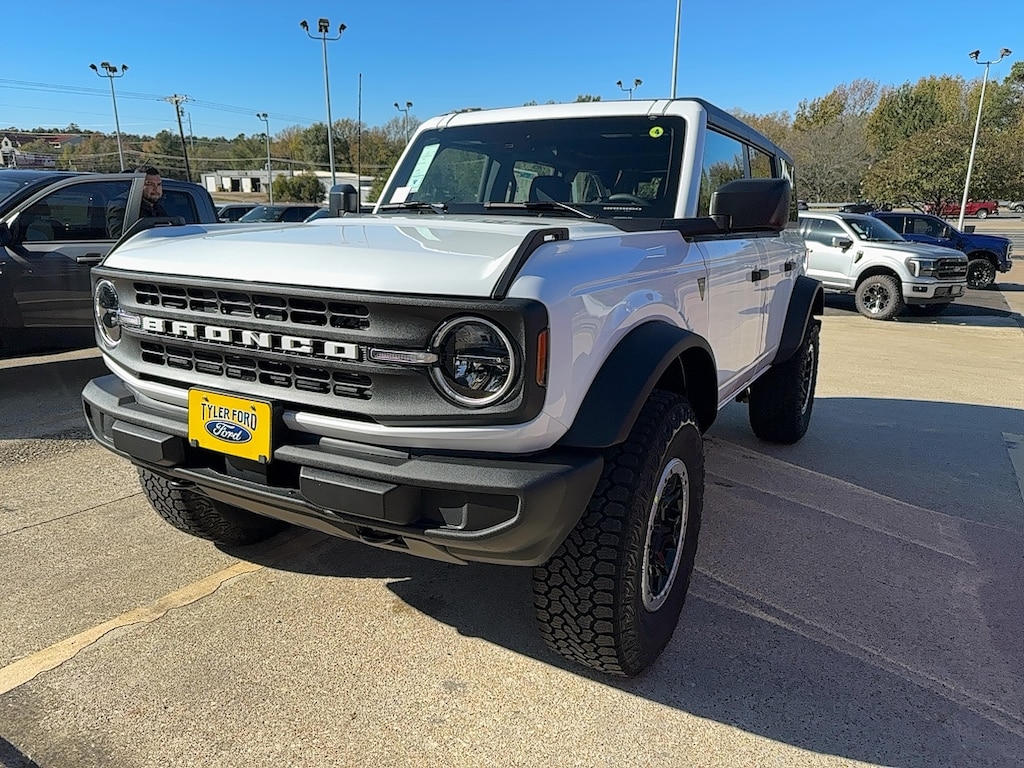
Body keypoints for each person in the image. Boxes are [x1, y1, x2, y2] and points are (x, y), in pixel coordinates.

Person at [106, 166, 168, 238]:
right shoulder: (123, 206)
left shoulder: (158, 208)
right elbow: (119, 239)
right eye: (150, 184)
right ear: (139, 185)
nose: (156, 188)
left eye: (159, 184)